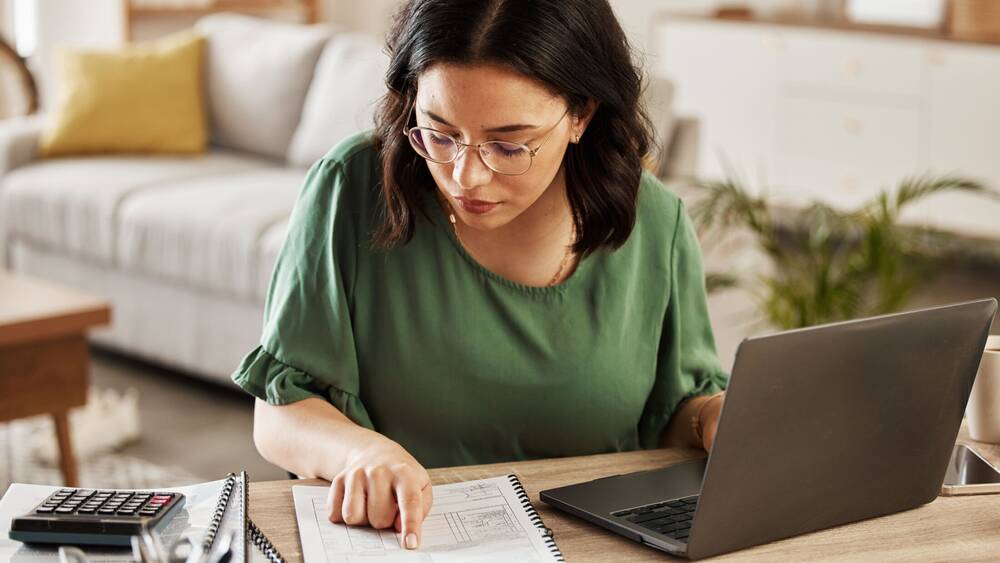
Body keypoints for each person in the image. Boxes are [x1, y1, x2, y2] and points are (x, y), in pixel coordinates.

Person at [232, 0, 729, 551]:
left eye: (508, 144)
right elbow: (279, 413)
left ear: (581, 116)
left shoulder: (656, 222)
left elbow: (676, 413)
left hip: (597, 547)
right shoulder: (351, 189)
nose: (465, 177)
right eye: (439, 134)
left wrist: (714, 418)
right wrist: (361, 452)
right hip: (405, 543)